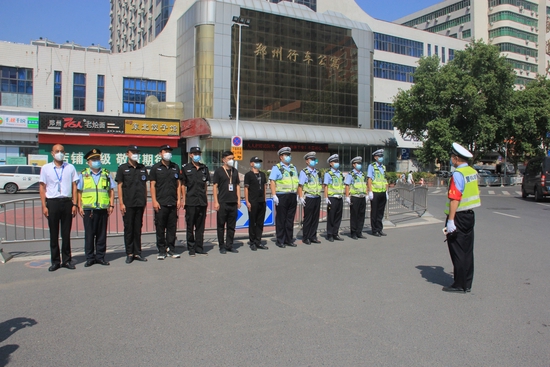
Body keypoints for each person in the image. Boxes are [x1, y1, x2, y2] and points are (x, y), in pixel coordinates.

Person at [443, 142, 481, 293]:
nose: (451, 160)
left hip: (458, 216)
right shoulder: (472, 171)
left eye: (452, 157)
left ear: (456, 158)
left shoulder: (458, 174)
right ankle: (467, 283)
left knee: (457, 250)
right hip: (469, 214)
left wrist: (451, 220)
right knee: (467, 250)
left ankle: (459, 284)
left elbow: (454, 199)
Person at [39, 144, 79, 272]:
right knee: (54, 234)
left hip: (67, 202)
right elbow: (42, 187)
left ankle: (67, 260)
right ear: (52, 153)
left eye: (62, 151)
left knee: (66, 234)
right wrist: (44, 205)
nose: (59, 153)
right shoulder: (46, 168)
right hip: (52, 202)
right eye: (57, 151)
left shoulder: (70, 167)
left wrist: (75, 204)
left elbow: (74, 187)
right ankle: (55, 261)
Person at [77, 149, 116, 267]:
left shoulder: (106, 173)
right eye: (93, 160)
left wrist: (111, 204)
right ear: (88, 162)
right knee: (89, 234)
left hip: (103, 209)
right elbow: (79, 191)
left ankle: (100, 257)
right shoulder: (83, 174)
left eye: (98, 159)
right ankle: (89, 258)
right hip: (89, 209)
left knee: (101, 234)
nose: (96, 161)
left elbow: (111, 190)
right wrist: (79, 205)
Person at [115, 145, 148, 264]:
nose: (135, 154)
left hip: (139, 203)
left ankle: (137, 252)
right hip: (128, 203)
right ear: (127, 154)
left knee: (138, 228)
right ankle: (129, 253)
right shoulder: (122, 168)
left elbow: (144, 186)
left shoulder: (142, 168)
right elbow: (119, 186)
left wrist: (144, 200)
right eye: (132, 152)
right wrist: (121, 203)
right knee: (129, 229)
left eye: (136, 152)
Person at [149, 145, 181, 260]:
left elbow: (178, 184)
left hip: (172, 202)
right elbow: (152, 185)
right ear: (160, 153)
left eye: (169, 151)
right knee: (160, 227)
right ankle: (161, 250)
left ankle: (171, 249)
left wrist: (179, 199)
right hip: (160, 203)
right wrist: (154, 201)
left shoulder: (175, 167)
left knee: (172, 227)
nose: (168, 153)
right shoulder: (155, 168)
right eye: (165, 151)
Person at [181, 146, 210, 257]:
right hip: (191, 201)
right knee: (190, 226)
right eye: (195, 153)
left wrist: (205, 197)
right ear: (190, 155)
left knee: (200, 227)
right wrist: (184, 199)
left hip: (202, 201)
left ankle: (199, 247)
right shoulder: (186, 168)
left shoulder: (204, 168)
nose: (197, 155)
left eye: (198, 153)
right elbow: (183, 185)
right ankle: (191, 248)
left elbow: (205, 185)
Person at [269, 147, 299, 248]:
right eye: (286, 155)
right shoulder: (276, 167)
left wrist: (298, 195)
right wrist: (274, 195)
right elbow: (272, 181)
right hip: (281, 196)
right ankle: (280, 240)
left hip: (292, 195)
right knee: (281, 219)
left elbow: (297, 182)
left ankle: (289, 239)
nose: (288, 157)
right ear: (281, 157)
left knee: (290, 219)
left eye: (289, 155)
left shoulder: (293, 167)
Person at [213, 151, 241, 254]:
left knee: (231, 226)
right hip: (222, 202)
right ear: (224, 160)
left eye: (232, 158)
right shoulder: (219, 171)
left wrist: (238, 199)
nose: (231, 160)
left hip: (233, 202)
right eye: (229, 158)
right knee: (221, 225)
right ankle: (222, 246)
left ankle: (229, 245)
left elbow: (237, 185)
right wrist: (216, 202)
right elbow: (215, 187)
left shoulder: (235, 171)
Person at [297, 151, 322, 245]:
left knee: (315, 218)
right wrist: (300, 197)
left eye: (314, 159)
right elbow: (300, 185)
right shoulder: (304, 172)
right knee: (308, 218)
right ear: (307, 161)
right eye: (312, 159)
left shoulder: (318, 172)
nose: (314, 161)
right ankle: (306, 237)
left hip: (317, 197)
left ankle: (313, 236)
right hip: (309, 197)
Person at [244, 156, 268, 251]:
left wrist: (264, 199)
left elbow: (264, 187)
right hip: (252, 201)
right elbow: (246, 189)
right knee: (252, 222)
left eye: (259, 162)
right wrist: (247, 201)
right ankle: (252, 242)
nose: (258, 164)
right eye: (256, 162)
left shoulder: (262, 174)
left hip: (261, 201)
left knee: (260, 222)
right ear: (251, 163)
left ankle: (258, 241)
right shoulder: (248, 175)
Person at [345, 156, 367, 240]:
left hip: (362, 197)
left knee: (361, 215)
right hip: (355, 197)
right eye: (357, 163)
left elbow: (364, 185)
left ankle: (359, 232)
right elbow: (347, 185)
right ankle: (353, 232)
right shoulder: (351, 174)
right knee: (354, 215)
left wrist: (367, 194)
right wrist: (347, 196)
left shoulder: (362, 174)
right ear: (353, 165)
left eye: (360, 163)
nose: (359, 165)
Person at [367, 149, 388, 237]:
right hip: (375, 192)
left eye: (381, 156)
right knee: (374, 212)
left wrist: (386, 191)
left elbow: (385, 179)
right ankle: (374, 230)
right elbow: (369, 179)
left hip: (382, 192)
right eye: (379, 156)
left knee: (381, 212)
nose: (381, 158)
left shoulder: (383, 167)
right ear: (375, 157)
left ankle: (380, 229)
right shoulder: (371, 166)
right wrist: (370, 191)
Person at [324, 154, 344, 242]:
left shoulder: (340, 173)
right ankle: (330, 234)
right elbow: (326, 186)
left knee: (338, 217)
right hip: (332, 198)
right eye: (335, 162)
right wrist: (326, 197)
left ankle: (335, 233)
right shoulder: (328, 174)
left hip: (340, 197)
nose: (337, 163)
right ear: (331, 163)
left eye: (337, 161)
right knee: (331, 217)